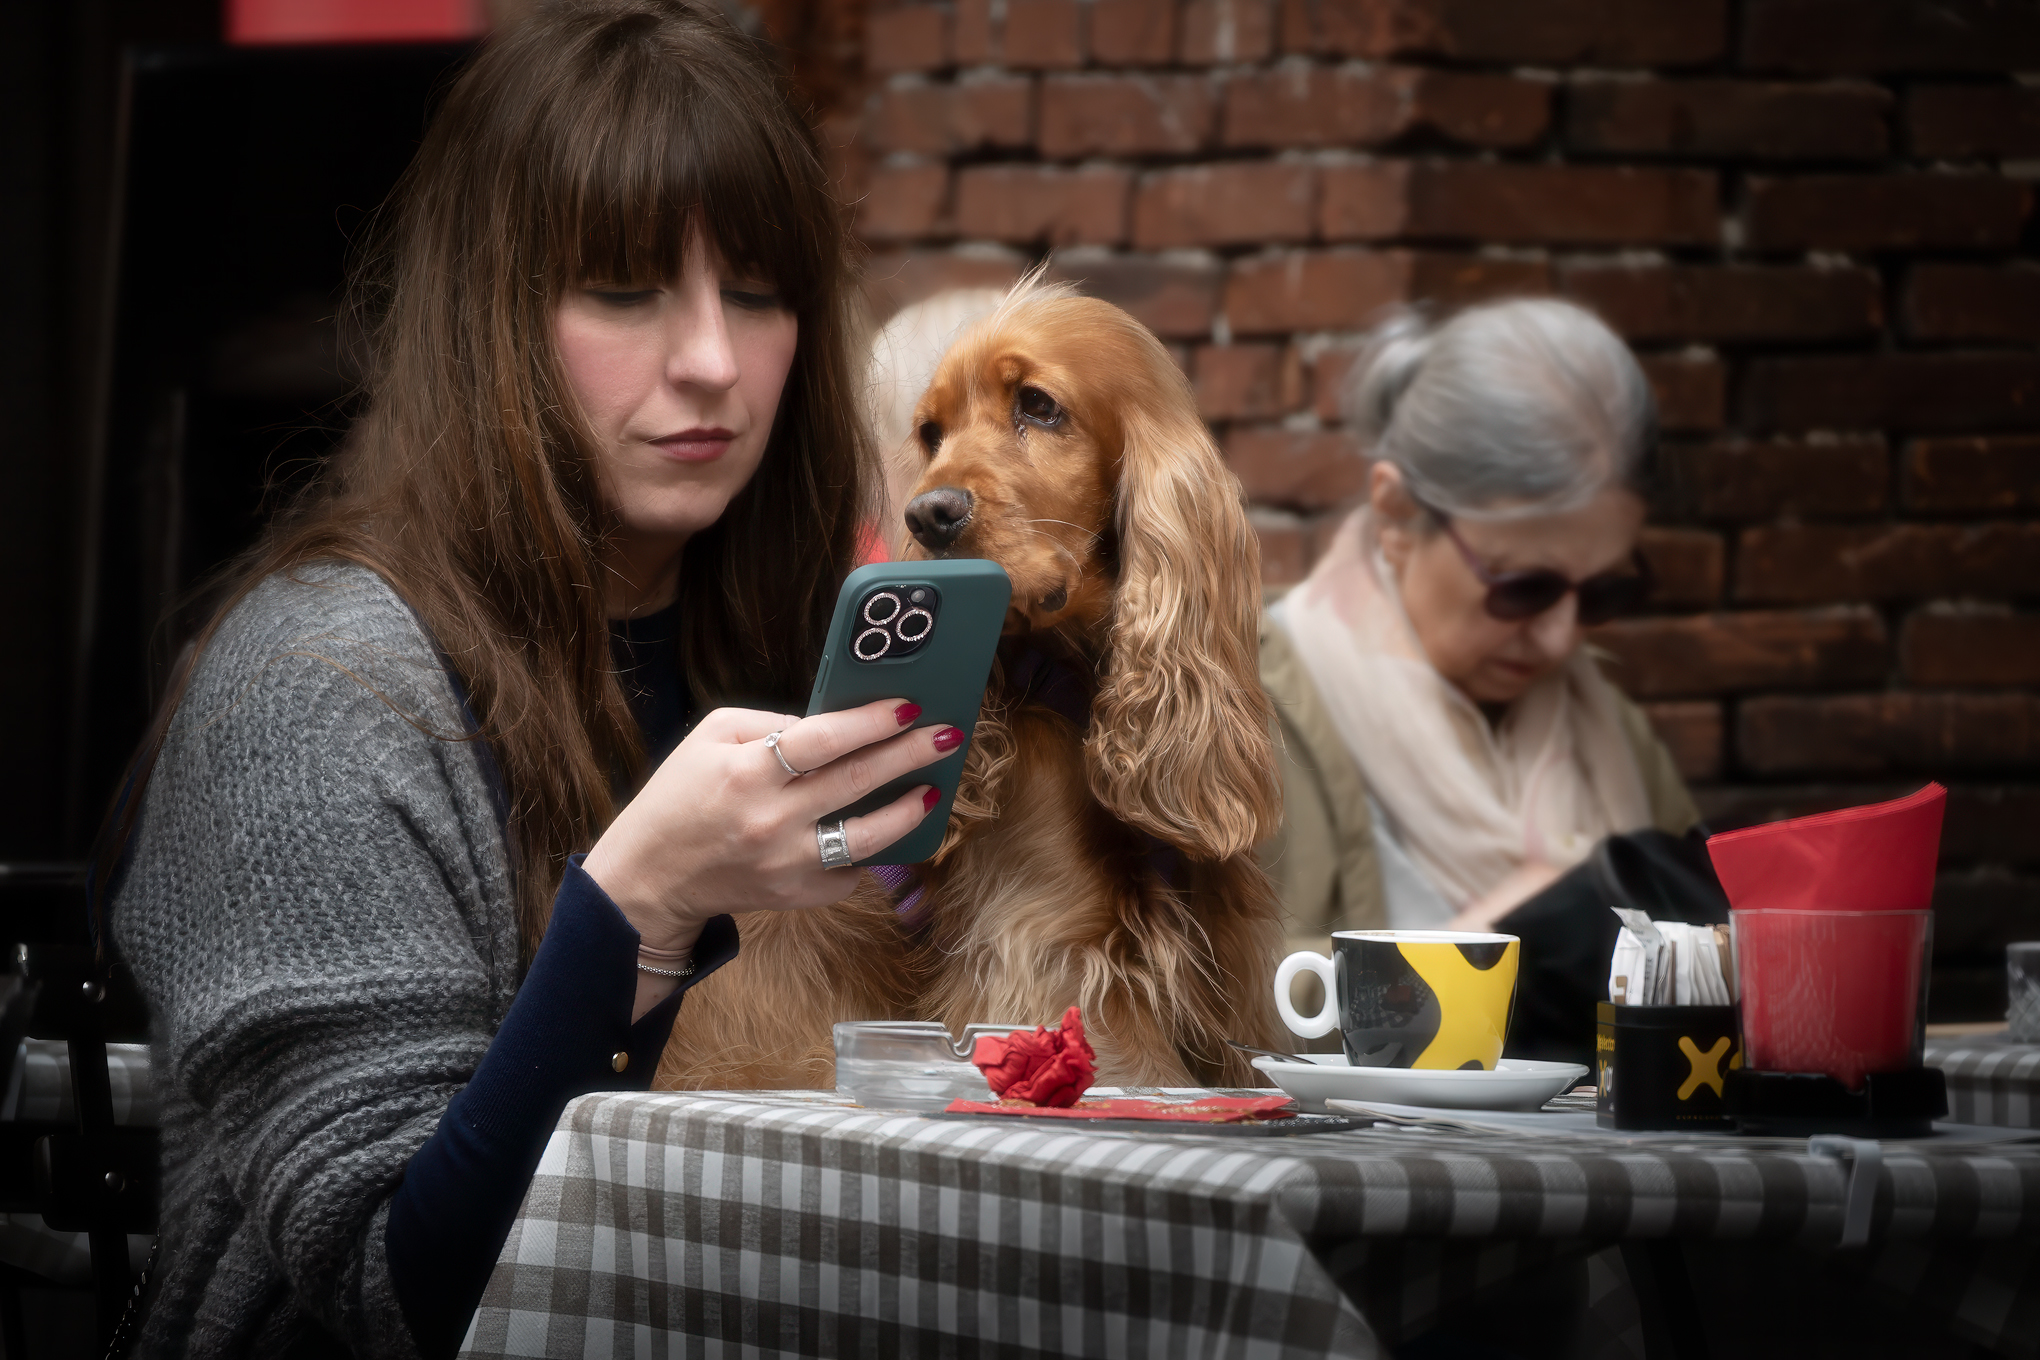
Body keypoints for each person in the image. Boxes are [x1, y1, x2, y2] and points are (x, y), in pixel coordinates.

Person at [105, 4, 958, 1355]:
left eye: (756, 290)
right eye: (624, 288)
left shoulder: (800, 655)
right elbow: (404, 1295)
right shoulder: (320, 686)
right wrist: (644, 904)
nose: (713, 363)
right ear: (491, 315)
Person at [1259, 299, 1699, 960]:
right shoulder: (1240, 713)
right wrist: (1494, 942)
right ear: (1398, 513)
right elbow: (1184, 1007)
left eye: (1606, 591)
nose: (1561, 639)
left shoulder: (1607, 724)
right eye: (1523, 586)